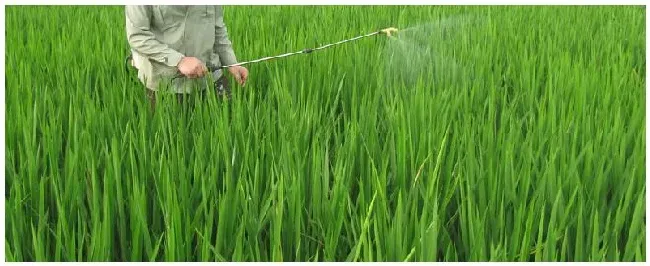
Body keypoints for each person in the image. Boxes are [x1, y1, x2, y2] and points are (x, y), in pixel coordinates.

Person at [125, 5, 248, 110]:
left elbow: (218, 28)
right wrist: (179, 60)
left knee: (226, 128)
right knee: (169, 135)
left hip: (211, 78)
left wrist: (232, 63)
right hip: (164, 83)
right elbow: (138, 36)